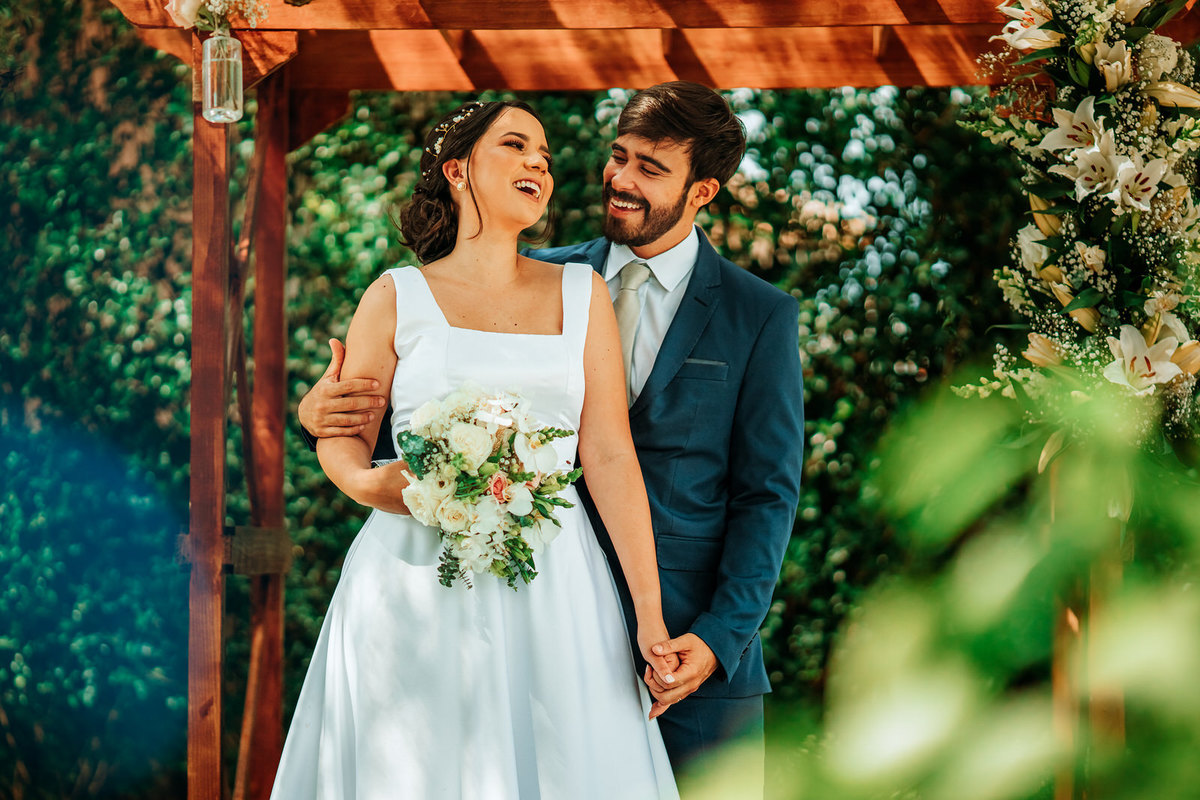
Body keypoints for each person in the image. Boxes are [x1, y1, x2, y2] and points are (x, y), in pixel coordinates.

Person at [301, 82, 805, 793]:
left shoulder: (758, 316)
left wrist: (714, 637)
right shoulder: (544, 274)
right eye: (617, 157)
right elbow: (396, 422)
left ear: (704, 191)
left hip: (677, 637)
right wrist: (317, 416)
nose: (620, 181)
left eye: (650, 169)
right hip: (470, 598)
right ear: (458, 169)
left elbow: (764, 495)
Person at [272, 99, 679, 799]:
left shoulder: (583, 294)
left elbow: (610, 455)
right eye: (517, 146)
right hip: (413, 578)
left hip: (553, 579)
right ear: (457, 171)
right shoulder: (396, 295)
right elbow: (342, 433)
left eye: (546, 157)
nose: (537, 164)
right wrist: (369, 486)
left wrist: (649, 616)